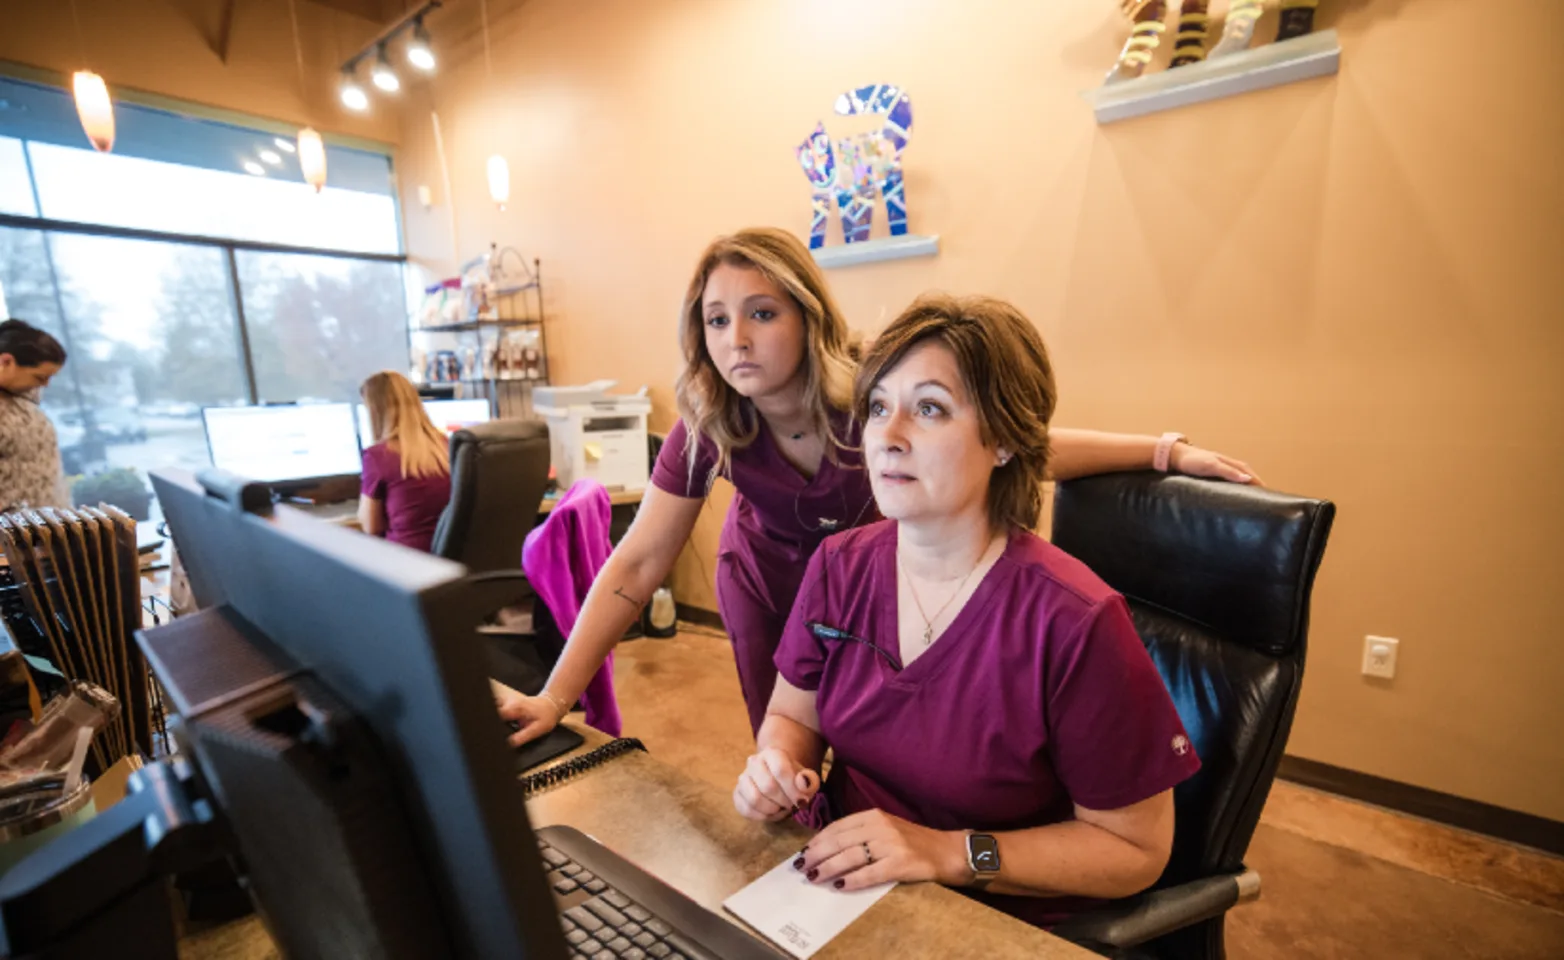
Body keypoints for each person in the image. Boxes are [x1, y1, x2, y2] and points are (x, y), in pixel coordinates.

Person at [497, 227, 1257, 744]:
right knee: (784, 747)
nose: (737, 339)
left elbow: (1016, 444)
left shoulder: (873, 391)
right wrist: (555, 696)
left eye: (762, 313)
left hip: (876, 583)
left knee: (891, 742)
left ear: (807, 316)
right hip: (765, 585)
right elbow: (636, 563)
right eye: (717, 320)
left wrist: (1161, 451)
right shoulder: (710, 423)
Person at [733, 293, 1199, 929]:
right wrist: (779, 767)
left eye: (929, 409)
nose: (888, 436)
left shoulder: (1075, 622)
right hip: (839, 887)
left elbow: (1134, 851)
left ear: (1003, 439)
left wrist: (947, 853)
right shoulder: (838, 566)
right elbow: (792, 715)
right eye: (878, 407)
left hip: (991, 917)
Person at [357, 371, 453, 552]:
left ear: (375, 412)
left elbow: (371, 527)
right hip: (451, 559)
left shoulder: (378, 456)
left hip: (405, 560)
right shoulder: (446, 446)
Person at [0, 319, 70, 512]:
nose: (45, 384)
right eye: (40, 377)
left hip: (50, 520)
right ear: (6, 361)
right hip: (12, 526)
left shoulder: (24, 397)